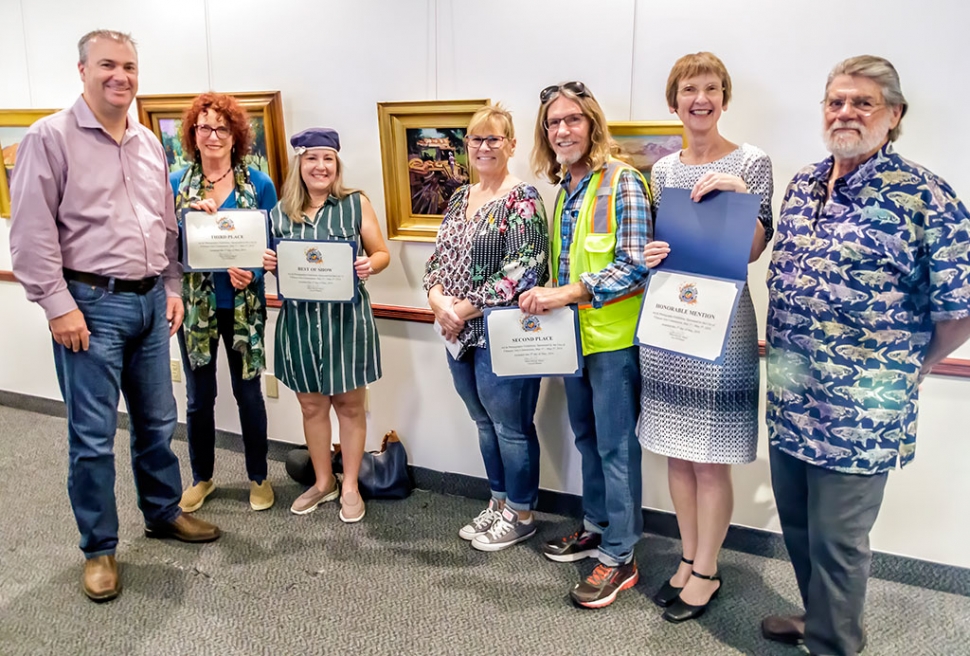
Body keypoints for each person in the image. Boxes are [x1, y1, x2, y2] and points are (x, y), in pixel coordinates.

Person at [763, 55, 970, 656]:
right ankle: (816, 618)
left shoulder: (923, 195)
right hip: (789, 391)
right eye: (836, 101)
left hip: (862, 409)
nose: (846, 113)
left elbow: (959, 309)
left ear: (894, 115)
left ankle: (835, 645)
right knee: (798, 525)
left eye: (862, 102)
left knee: (838, 540)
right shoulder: (803, 183)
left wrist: (917, 367)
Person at [8, 30, 220, 603]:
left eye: (128, 66)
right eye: (107, 65)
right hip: (89, 308)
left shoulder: (149, 143)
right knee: (93, 437)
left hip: (152, 302)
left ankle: (162, 512)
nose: (119, 76)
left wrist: (172, 285)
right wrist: (58, 308)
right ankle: (99, 548)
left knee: (157, 422)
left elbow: (165, 221)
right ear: (82, 70)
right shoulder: (47, 139)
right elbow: (29, 238)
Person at [637, 52, 774, 623]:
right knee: (675, 452)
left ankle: (709, 571)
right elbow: (661, 245)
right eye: (689, 89)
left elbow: (754, 250)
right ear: (675, 101)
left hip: (724, 325)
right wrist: (649, 255)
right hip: (670, 320)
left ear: (724, 96)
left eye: (711, 88)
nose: (701, 98)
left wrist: (739, 195)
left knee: (711, 458)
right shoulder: (662, 171)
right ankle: (689, 558)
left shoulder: (753, 161)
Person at [520, 82, 650, 609]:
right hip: (570, 342)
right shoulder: (565, 188)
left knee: (617, 447)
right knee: (587, 439)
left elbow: (637, 264)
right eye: (553, 123)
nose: (562, 130)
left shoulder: (623, 182)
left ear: (592, 124)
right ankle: (596, 527)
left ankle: (621, 556)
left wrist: (568, 293)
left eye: (572, 120)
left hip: (613, 342)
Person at [424, 104, 549, 552]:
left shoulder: (524, 200)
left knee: (511, 426)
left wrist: (461, 309)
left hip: (500, 334)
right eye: (476, 139)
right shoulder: (459, 197)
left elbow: (524, 272)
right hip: (457, 335)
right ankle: (498, 503)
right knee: (482, 422)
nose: (483, 147)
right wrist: (439, 302)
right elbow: (437, 260)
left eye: (494, 139)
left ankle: (522, 512)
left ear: (512, 145)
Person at [262, 127, 390, 523]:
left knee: (350, 407)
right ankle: (322, 482)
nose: (321, 166)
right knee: (311, 405)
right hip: (299, 323)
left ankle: (349, 484)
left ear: (337, 164)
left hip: (347, 321)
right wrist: (267, 263)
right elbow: (267, 261)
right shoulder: (278, 213)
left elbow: (382, 251)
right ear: (299, 163)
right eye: (312, 158)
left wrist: (373, 263)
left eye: (328, 159)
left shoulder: (355, 204)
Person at [170, 93, 278, 514]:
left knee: (248, 394)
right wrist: (188, 219)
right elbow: (165, 245)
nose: (213, 136)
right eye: (204, 127)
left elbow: (272, 243)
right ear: (193, 135)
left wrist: (253, 271)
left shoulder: (258, 184)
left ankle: (258, 476)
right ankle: (202, 478)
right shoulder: (178, 183)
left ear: (236, 135)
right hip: (196, 307)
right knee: (198, 397)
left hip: (243, 306)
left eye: (222, 128)